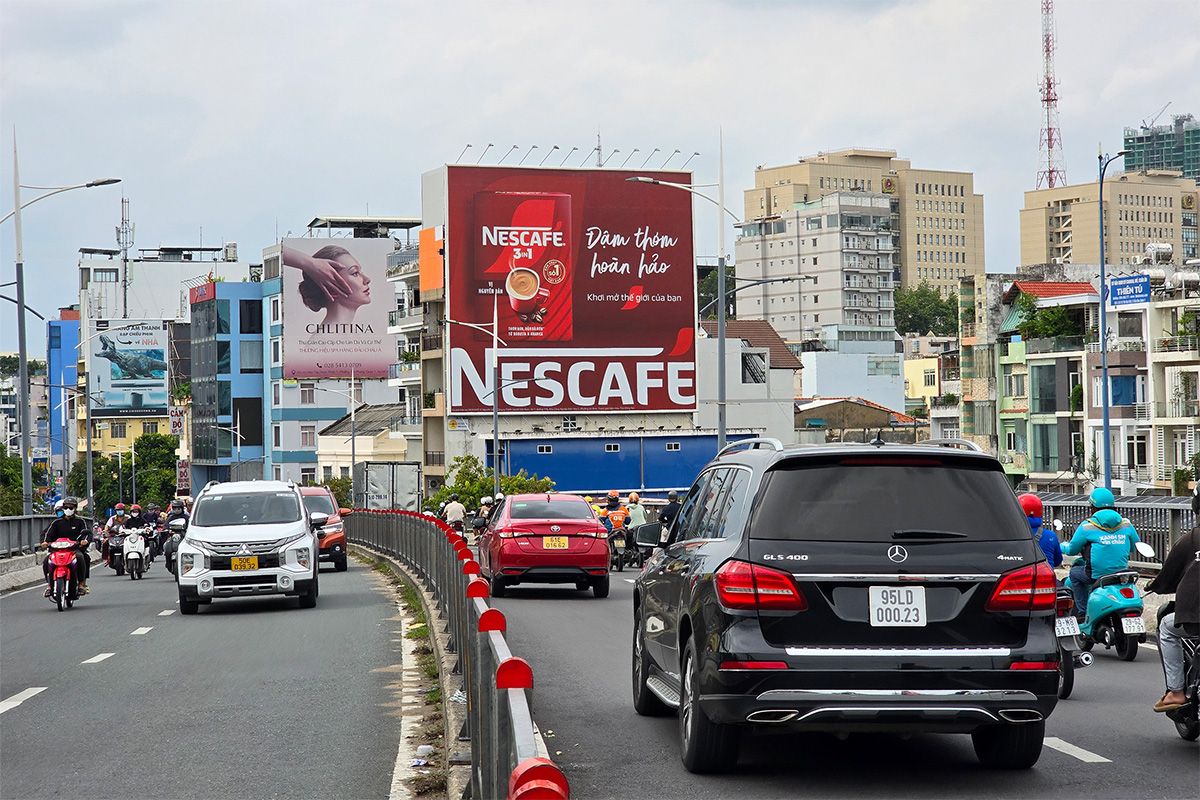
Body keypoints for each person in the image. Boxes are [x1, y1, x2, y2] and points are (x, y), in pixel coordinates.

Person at [1145, 490, 1200, 713]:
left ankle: (1176, 691)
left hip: (1195, 617)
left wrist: (1153, 586)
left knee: (1167, 628)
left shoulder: (1192, 539)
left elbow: (1167, 578)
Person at [1062, 487, 1141, 617]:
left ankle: (1083, 612)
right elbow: (1134, 547)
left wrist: (1062, 546)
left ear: (1092, 507)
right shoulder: (1126, 524)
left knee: (1074, 574)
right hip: (1121, 575)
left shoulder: (1087, 526)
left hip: (1095, 576)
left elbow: (1071, 550)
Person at [283, 244, 373, 326]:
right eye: (355, 273)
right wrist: (309, 263)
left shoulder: (340, 337)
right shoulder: (326, 341)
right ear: (331, 289)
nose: (367, 280)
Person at [40, 497, 91, 596]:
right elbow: (46, 534)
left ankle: (81, 584)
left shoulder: (80, 521)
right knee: (47, 561)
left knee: (82, 558)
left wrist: (85, 541)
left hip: (74, 549)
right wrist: (44, 542)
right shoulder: (56, 522)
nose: (68, 509)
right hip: (57, 550)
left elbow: (87, 533)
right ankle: (50, 585)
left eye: (71, 508)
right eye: (66, 507)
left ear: (75, 509)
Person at [1018, 493, 1062, 568]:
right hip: (1045, 577)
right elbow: (1058, 561)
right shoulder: (1050, 536)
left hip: (1019, 577)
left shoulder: (1009, 535)